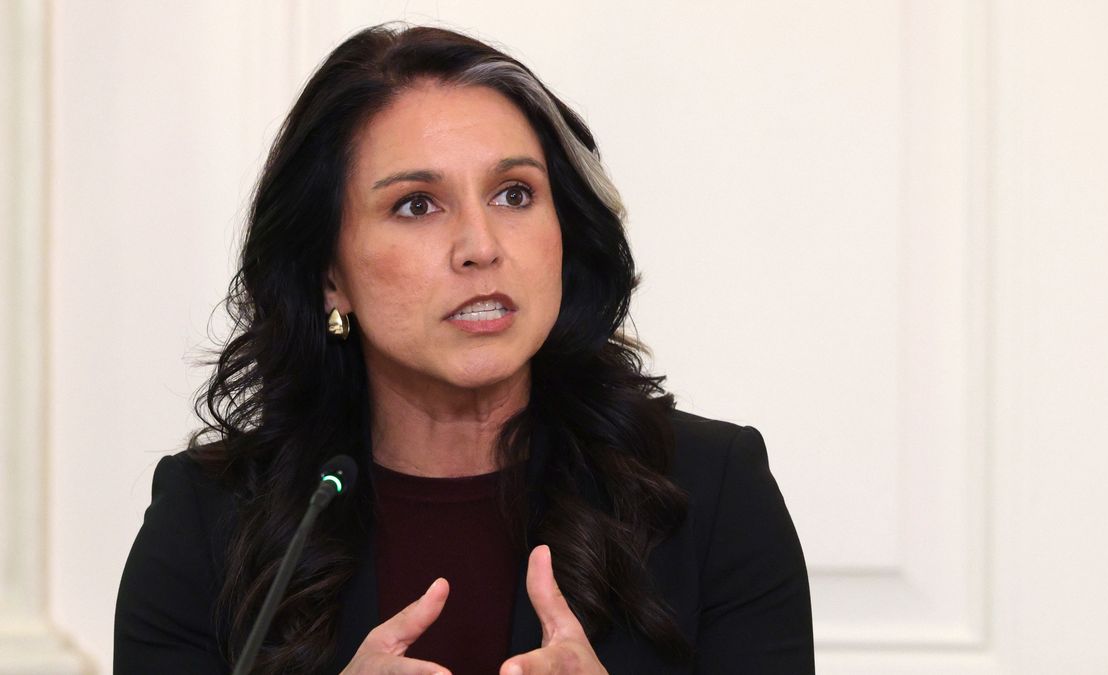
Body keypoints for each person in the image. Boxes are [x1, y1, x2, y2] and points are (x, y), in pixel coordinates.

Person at [114, 23, 814, 675]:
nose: (481, 246)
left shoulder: (712, 494)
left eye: (514, 194)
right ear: (330, 276)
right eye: (417, 204)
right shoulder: (206, 520)